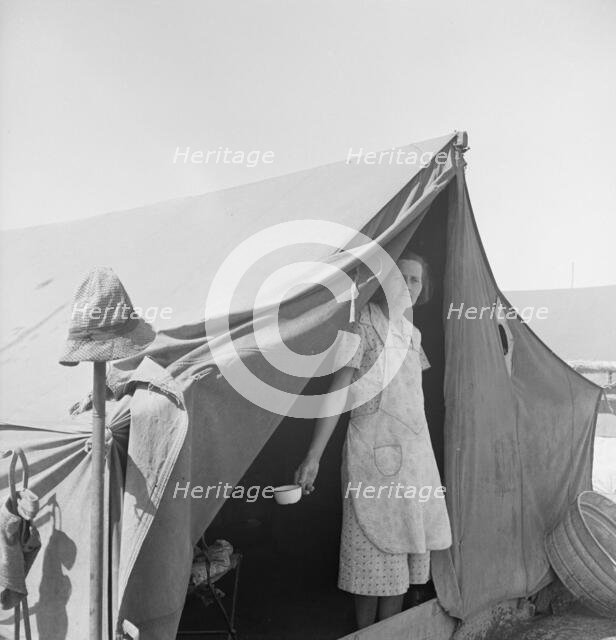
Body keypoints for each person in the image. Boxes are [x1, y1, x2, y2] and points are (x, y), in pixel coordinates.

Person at [294, 252, 452, 629]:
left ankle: (388, 634)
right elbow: (338, 390)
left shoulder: (413, 337)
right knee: (371, 557)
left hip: (413, 463)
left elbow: (412, 400)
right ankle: (365, 633)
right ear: (384, 283)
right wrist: (313, 456)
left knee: (399, 558)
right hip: (372, 455)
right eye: (401, 278)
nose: (408, 286)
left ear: (422, 289)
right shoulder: (362, 325)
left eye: (415, 280)